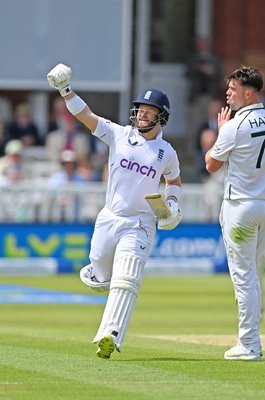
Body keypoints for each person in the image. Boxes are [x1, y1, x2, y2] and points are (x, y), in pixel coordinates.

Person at [47, 63, 182, 359]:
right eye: (140, 109)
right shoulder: (119, 135)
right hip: (110, 217)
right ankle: (100, 275)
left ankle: (110, 335)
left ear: (162, 118)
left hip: (140, 223)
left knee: (127, 278)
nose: (141, 114)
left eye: (149, 111)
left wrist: (172, 205)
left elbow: (173, 181)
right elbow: (86, 116)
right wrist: (65, 90)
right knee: (98, 268)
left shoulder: (166, 152)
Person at [205, 66, 265, 360]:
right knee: (256, 276)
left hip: (240, 208)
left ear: (249, 93)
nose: (228, 93)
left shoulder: (234, 127)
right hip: (264, 206)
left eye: (233, 89)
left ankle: (250, 344)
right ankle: (253, 336)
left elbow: (211, 164)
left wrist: (220, 134)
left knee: (245, 278)